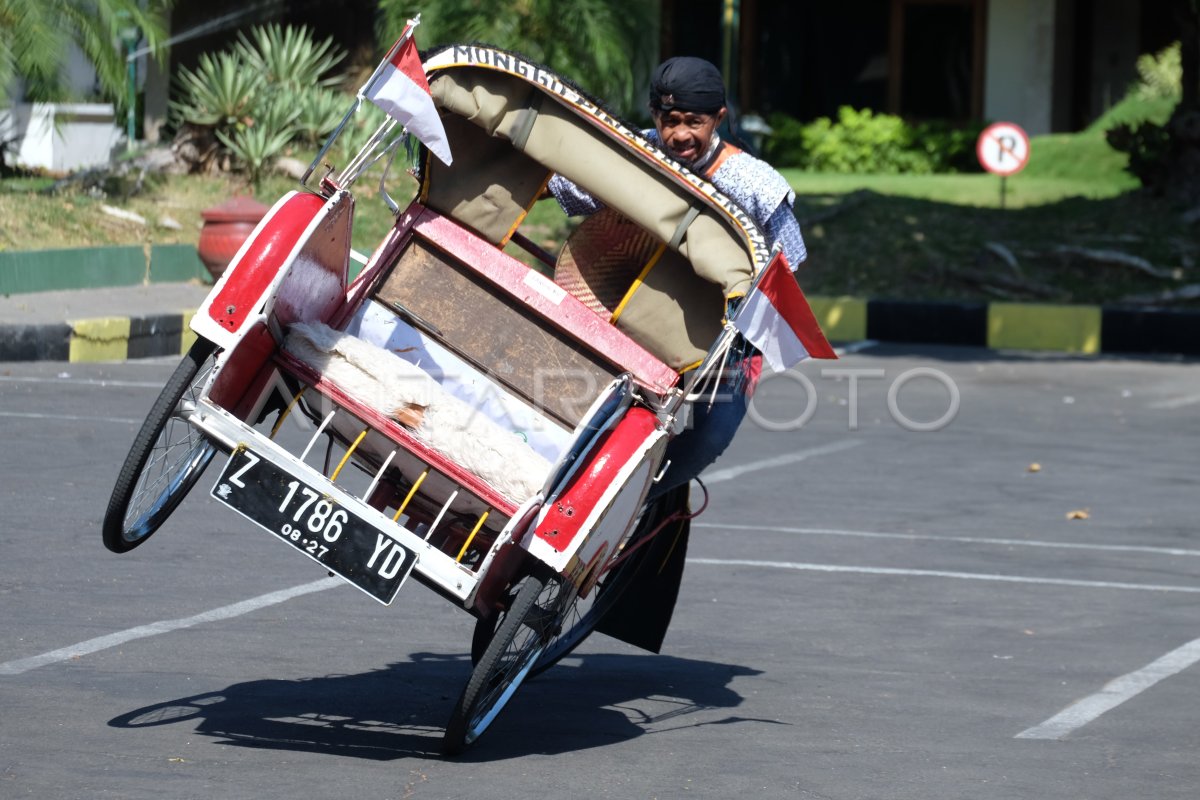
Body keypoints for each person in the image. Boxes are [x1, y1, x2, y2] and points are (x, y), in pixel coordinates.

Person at [547, 56, 809, 497]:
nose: (680, 134)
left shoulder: (755, 183)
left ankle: (640, 502)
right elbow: (565, 184)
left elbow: (792, 261)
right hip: (622, 299)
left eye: (694, 121)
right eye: (669, 120)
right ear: (654, 116)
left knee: (710, 437)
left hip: (724, 337)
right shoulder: (634, 151)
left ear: (719, 119)